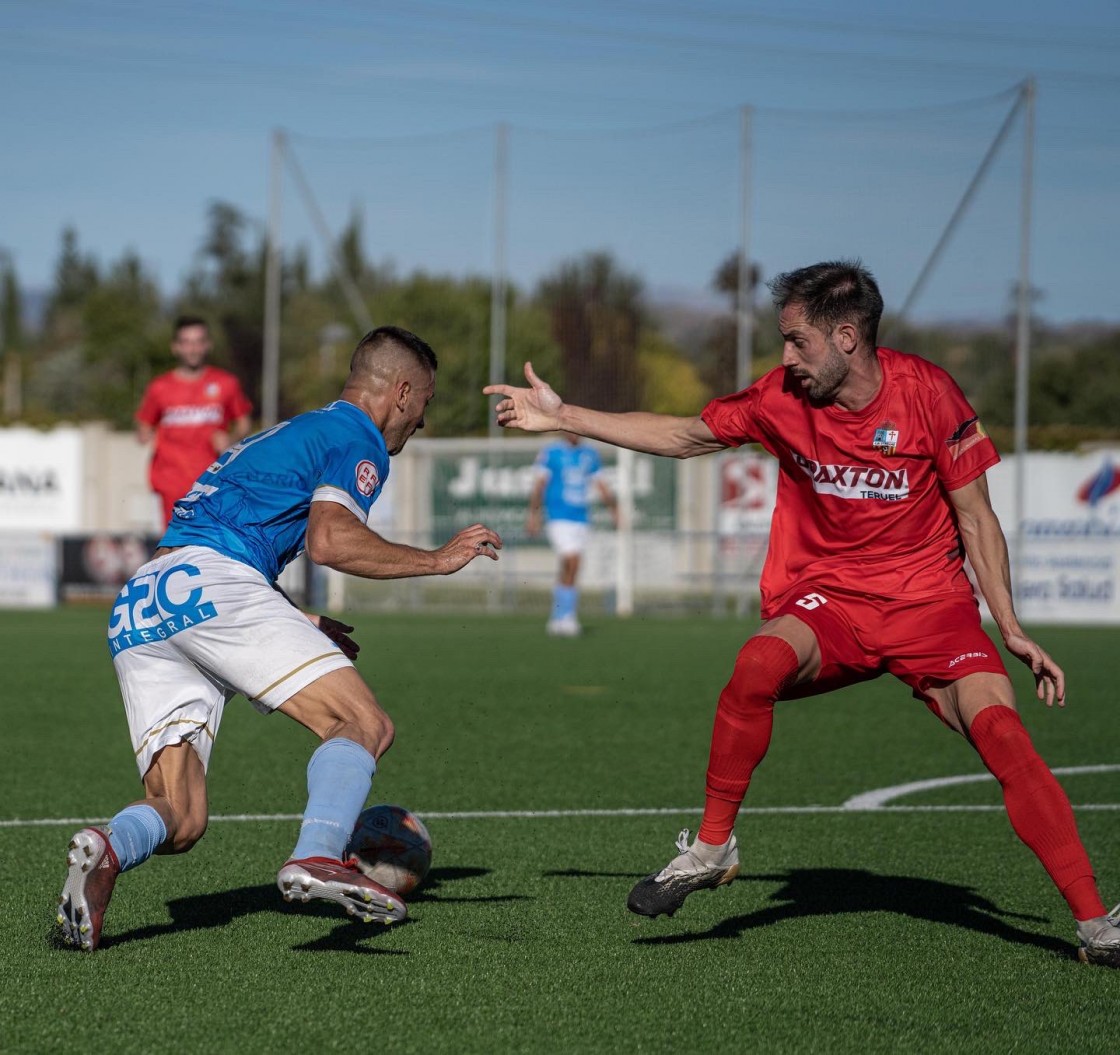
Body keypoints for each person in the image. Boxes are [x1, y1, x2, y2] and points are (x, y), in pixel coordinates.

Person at [486, 260, 1120, 968]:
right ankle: (712, 846)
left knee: (1003, 734)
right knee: (756, 663)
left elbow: (976, 517)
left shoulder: (929, 394)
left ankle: (1097, 925)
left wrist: (1010, 627)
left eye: (797, 341)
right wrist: (564, 413)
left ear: (847, 336)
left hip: (931, 609)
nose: (785, 357)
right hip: (833, 603)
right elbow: (686, 434)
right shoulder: (779, 396)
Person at [57, 326, 502, 951]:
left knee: (180, 816)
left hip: (145, 597)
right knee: (363, 724)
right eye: (424, 403)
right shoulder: (357, 437)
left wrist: (296, 617)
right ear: (401, 392)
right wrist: (436, 560)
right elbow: (330, 541)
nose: (421, 422)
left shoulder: (291, 431)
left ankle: (105, 849)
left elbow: (230, 535)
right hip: (218, 586)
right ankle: (317, 855)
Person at [136, 315, 253, 526]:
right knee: (174, 546)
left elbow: (244, 422)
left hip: (213, 480)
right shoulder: (160, 387)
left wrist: (231, 439)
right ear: (176, 347)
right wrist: (145, 434)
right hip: (171, 480)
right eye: (187, 343)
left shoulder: (226, 383)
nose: (193, 349)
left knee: (209, 544)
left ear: (208, 345)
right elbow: (144, 425)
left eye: (199, 342)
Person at [527, 431, 618, 636]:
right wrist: (533, 515)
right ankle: (567, 617)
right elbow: (539, 485)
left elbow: (601, 484)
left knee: (570, 568)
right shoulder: (552, 453)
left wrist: (614, 510)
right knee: (572, 560)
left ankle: (559, 617)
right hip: (558, 516)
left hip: (581, 518)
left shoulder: (590, 454)